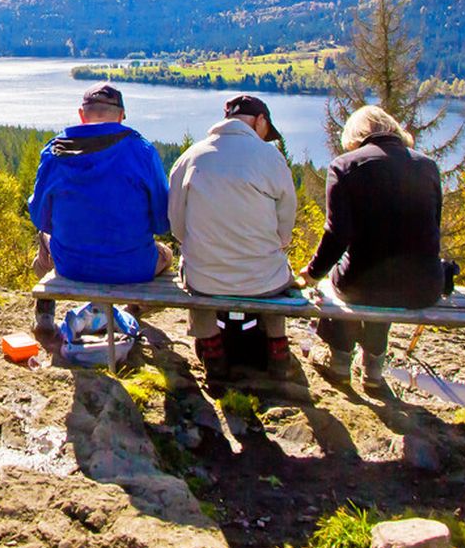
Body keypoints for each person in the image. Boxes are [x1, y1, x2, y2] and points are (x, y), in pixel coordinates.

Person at [298, 105, 444, 391]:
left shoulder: (344, 166)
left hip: (363, 285)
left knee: (344, 279)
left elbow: (337, 235)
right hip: (423, 287)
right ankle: (373, 368)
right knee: (388, 272)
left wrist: (313, 272)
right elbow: (433, 227)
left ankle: (339, 359)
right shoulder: (427, 166)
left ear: (355, 137)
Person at [168, 94, 297, 382]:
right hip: (263, 279)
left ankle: (213, 352)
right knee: (278, 274)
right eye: (267, 130)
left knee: (195, 278)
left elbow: (176, 224)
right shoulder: (271, 158)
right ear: (260, 121)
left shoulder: (191, 157)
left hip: (206, 278)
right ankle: (278, 349)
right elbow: (285, 225)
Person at [28, 83, 172, 336]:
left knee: (44, 237)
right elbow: (162, 222)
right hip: (133, 266)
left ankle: (44, 312)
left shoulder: (54, 152)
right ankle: (133, 308)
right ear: (121, 116)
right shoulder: (142, 151)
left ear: (82, 115)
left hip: (72, 265)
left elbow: (40, 217)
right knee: (167, 255)